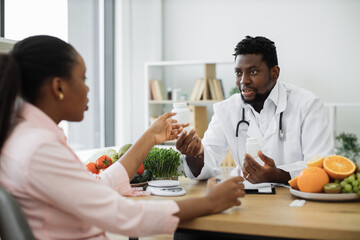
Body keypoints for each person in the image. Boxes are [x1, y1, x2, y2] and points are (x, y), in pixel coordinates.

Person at [0, 35, 245, 239]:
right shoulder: (39, 149)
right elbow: (123, 215)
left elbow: (96, 189)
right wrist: (210, 203)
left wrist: (149, 137)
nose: (87, 89)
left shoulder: (24, 138)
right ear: (58, 87)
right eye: (83, 78)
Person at [176, 36, 334, 184]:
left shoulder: (307, 105)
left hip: (296, 200)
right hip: (250, 202)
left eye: (252, 72)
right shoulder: (226, 110)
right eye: (238, 73)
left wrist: (279, 175)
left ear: (275, 73)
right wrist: (195, 154)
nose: (243, 81)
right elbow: (207, 165)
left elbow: (321, 163)